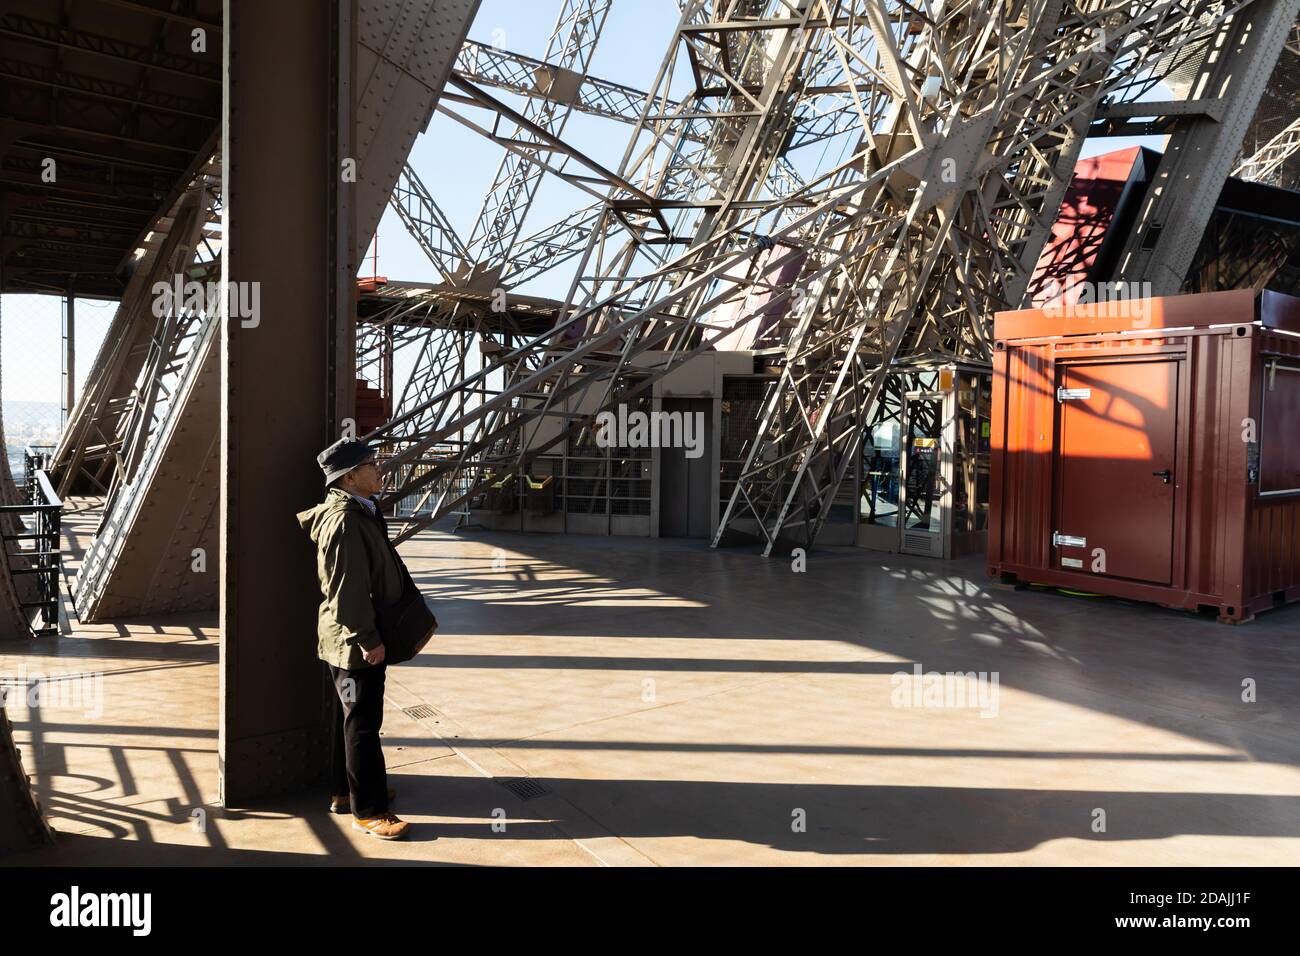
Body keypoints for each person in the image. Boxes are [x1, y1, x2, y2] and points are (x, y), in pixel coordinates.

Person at [297, 438, 410, 840]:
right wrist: (367, 638)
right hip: (352, 640)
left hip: (347, 636)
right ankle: (369, 810)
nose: (379, 470)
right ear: (349, 477)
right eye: (371, 465)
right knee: (363, 723)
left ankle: (343, 792)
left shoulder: (361, 510)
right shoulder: (345, 522)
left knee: (351, 719)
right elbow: (344, 590)